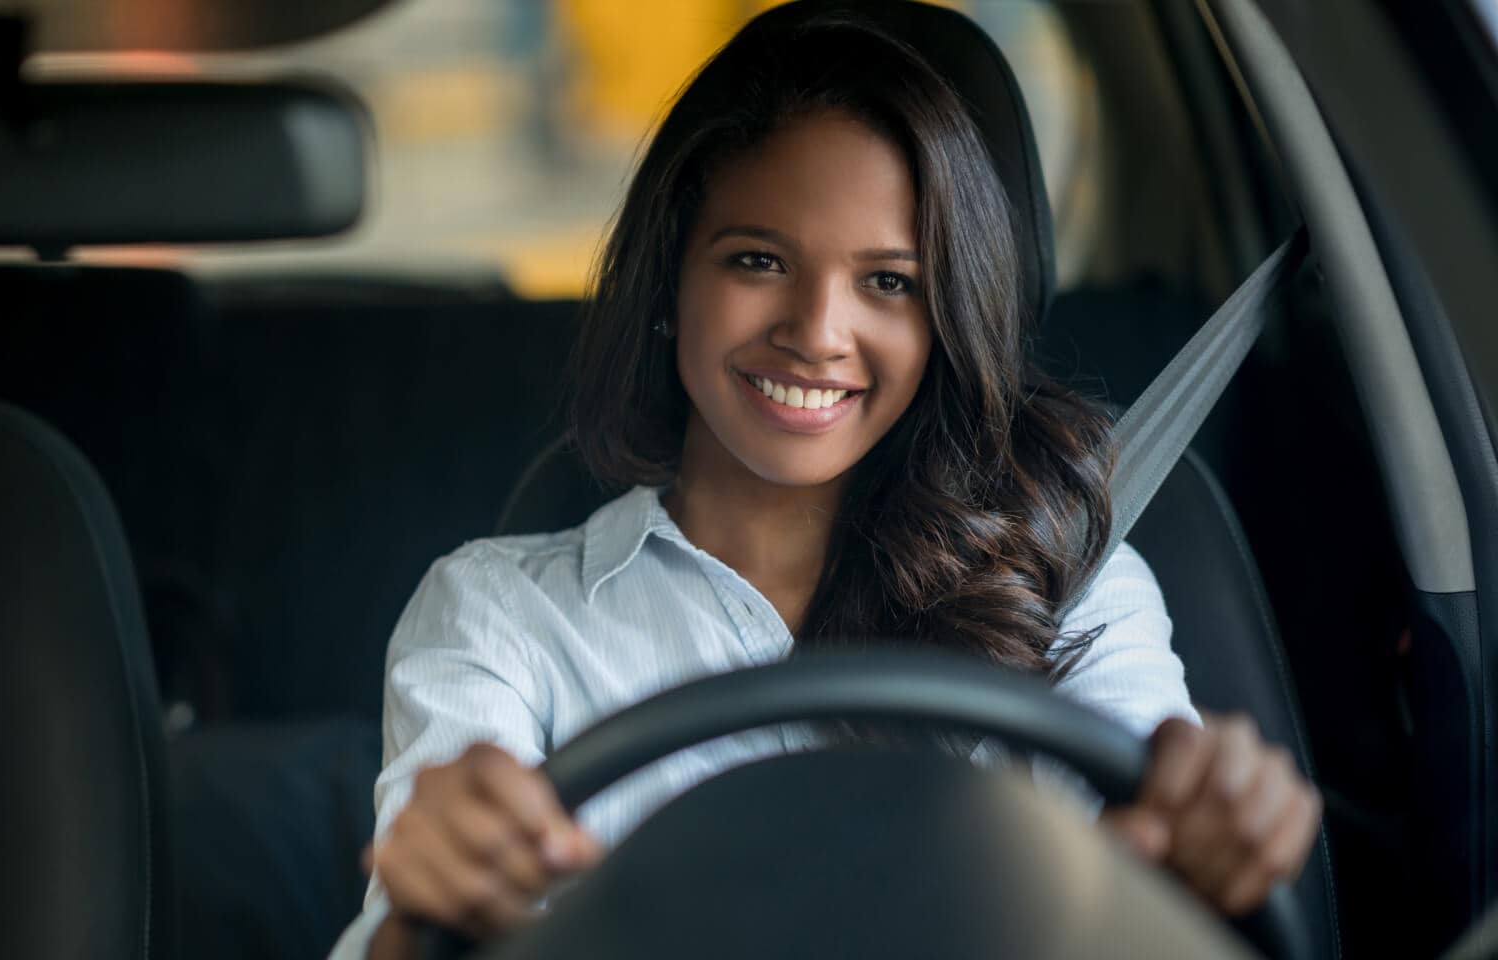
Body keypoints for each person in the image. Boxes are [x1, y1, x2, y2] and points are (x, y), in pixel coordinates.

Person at [330, 4, 1321, 957]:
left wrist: (1205, 839)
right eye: (758, 260)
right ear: (673, 278)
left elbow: (1155, 867)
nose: (815, 333)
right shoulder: (499, 616)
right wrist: (428, 910)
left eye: (888, 282)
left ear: (946, 320)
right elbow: (412, 932)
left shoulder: (1070, 581)